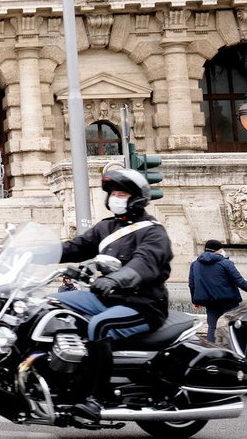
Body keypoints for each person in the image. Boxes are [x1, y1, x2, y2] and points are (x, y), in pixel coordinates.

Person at [56, 165, 176, 418]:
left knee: (100, 326)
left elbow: (143, 264)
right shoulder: (106, 227)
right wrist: (34, 252)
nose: (115, 198)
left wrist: (115, 279)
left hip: (142, 305)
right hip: (107, 299)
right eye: (113, 193)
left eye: (122, 194)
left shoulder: (153, 232)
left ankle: (96, 397)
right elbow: (76, 247)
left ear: (137, 199)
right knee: (51, 304)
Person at [188, 239, 247, 343]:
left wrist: (195, 301)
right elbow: (240, 282)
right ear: (219, 250)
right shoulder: (225, 263)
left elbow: (192, 284)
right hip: (228, 301)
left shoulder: (195, 264)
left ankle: (212, 349)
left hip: (209, 301)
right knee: (233, 326)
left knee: (212, 327)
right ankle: (234, 349)